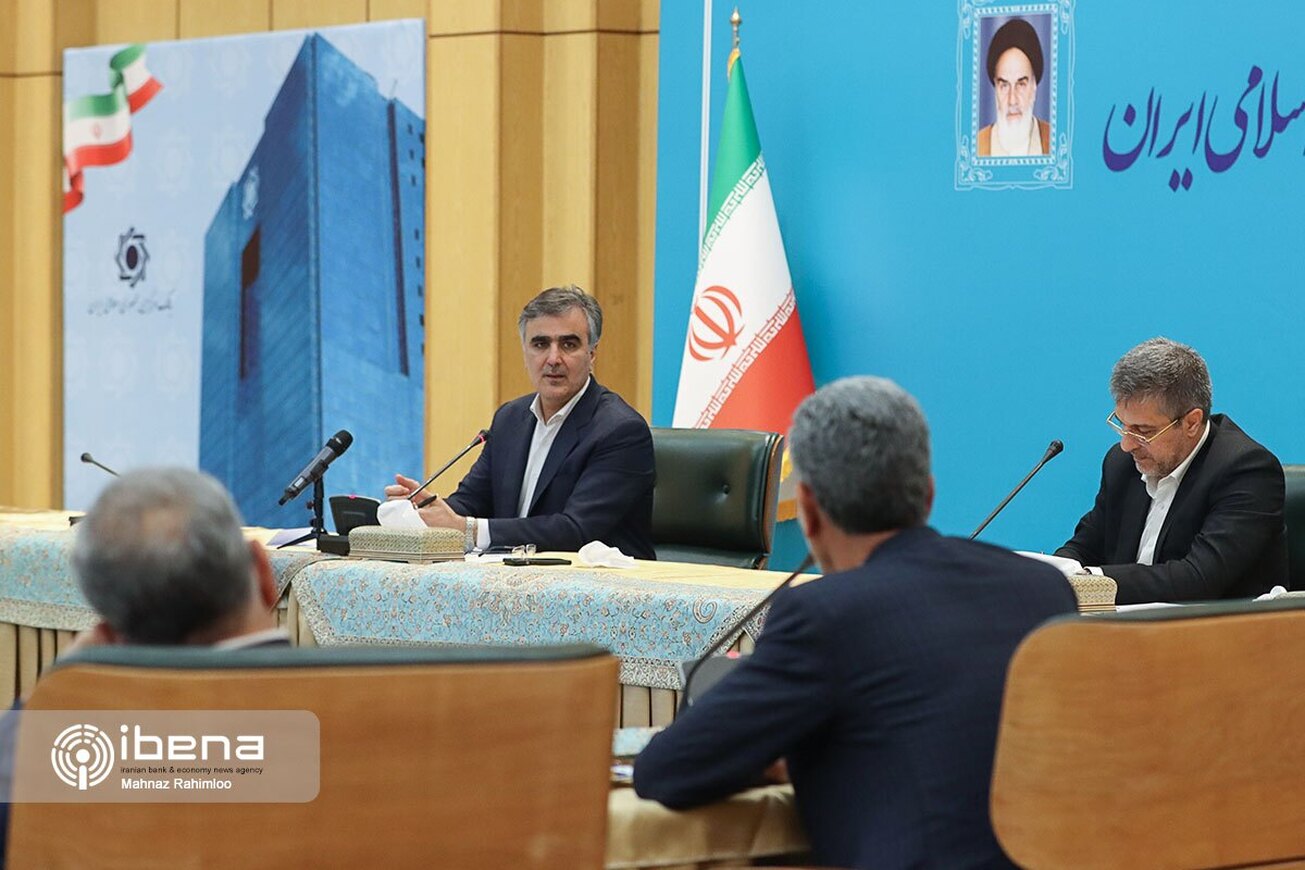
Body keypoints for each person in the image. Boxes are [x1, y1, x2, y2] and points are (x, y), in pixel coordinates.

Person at [634, 377, 1076, 869]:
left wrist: (788, 756)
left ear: (809, 510)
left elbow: (666, 770)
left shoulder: (822, 615)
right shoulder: (1043, 589)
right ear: (927, 495)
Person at [0, 468, 287, 863]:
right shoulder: (371, 717)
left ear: (109, 632)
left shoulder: (62, 763)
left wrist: (53, 695)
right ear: (264, 573)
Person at [387, 284, 656, 559]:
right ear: (525, 352)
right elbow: (471, 502)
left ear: (592, 353)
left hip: (598, 582)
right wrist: (426, 512)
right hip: (516, 577)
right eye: (540, 344)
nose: (553, 359)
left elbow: (576, 530)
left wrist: (467, 529)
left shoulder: (620, 431)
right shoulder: (510, 418)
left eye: (569, 344)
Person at [1055, 337, 1287, 604]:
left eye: (1143, 431)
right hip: (1126, 626)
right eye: (1123, 425)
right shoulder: (1122, 463)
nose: (1127, 444)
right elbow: (1087, 544)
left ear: (1191, 422)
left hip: (1215, 627)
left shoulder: (1246, 471)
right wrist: (1053, 575)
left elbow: (1199, 579)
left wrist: (1091, 581)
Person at [977, 18, 1050, 157]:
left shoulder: (1055, 142)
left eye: (1021, 84)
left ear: (1034, 87)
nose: (1012, 100)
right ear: (995, 89)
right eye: (1004, 85)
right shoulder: (976, 145)